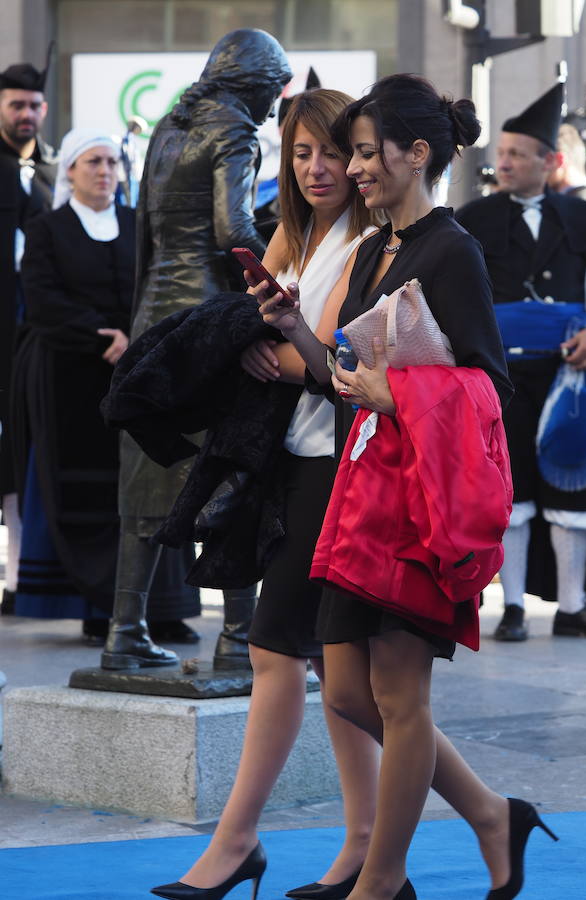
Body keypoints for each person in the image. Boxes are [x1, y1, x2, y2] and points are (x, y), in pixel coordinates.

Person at [249, 74, 556, 900]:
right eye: (346, 153)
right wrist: (290, 331)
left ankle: (380, 882)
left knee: (396, 694)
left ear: (416, 154)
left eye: (361, 150)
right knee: (346, 689)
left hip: (415, 501)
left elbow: (490, 384)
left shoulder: (450, 249)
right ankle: (492, 814)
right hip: (362, 497)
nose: (351, 169)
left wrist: (398, 395)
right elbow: (337, 377)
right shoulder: (376, 248)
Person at [150, 89, 381, 900]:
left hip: (341, 464)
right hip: (284, 459)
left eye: (333, 152)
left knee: (278, 651)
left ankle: (237, 841)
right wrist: (256, 329)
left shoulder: (374, 241)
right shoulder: (297, 231)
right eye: (301, 153)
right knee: (332, 666)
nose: (319, 169)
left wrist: (284, 353)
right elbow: (265, 327)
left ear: (366, 155)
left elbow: (348, 371)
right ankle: (394, 836)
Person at [101, 28, 292, 670]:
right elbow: (231, 229)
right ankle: (239, 639)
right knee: (228, 463)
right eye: (275, 86)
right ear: (256, 83)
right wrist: (288, 273)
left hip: (156, 312)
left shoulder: (168, 126)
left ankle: (123, 633)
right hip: (207, 317)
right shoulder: (234, 131)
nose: (276, 99)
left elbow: (146, 239)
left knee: (146, 476)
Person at [455, 84, 586, 642]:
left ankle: (574, 605)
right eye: (501, 153)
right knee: (511, 491)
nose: (503, 162)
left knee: (572, 483)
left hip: (571, 377)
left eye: (515, 154)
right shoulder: (472, 220)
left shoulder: (584, 219)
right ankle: (511, 607)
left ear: (549, 161)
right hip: (503, 380)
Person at [10, 128, 197, 644]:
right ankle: (98, 607)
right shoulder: (48, 229)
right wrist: (101, 337)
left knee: (156, 483)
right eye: (92, 161)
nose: (104, 171)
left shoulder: (139, 226)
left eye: (112, 162)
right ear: (69, 170)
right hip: (72, 378)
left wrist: (139, 338)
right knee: (91, 494)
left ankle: (165, 607)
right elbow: (43, 299)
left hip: (139, 376)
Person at [0, 58, 57, 616]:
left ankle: (18, 577)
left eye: (35, 104)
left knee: (19, 459)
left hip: (28, 340)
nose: (27, 114)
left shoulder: (48, 172)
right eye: (17, 104)